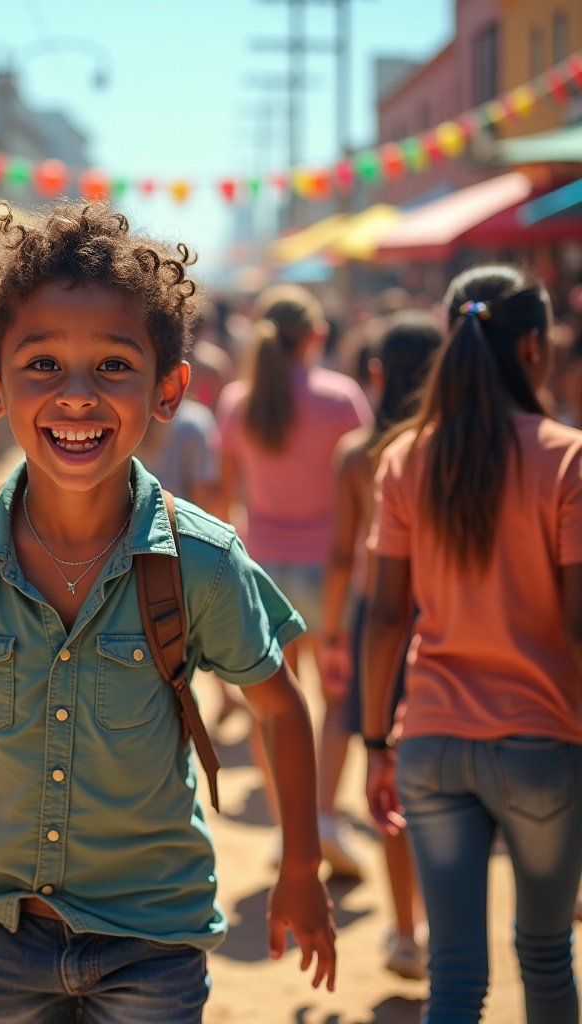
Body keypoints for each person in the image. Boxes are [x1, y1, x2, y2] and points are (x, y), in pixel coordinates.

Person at [0, 201, 336, 1020]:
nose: (76, 398)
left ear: (167, 390)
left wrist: (301, 867)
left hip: (153, 941)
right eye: (41, 366)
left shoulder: (201, 562)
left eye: (111, 367)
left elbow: (279, 707)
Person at [363, 265, 582, 1023]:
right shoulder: (567, 457)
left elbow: (385, 617)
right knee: (546, 956)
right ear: (532, 347)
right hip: (544, 748)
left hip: (430, 745)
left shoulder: (406, 458)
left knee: (454, 978)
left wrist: (373, 741)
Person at [216, 284, 373, 879]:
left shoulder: (238, 401)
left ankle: (291, 829)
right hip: (332, 569)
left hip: (260, 568)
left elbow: (224, 492)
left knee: (271, 703)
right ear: (316, 336)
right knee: (335, 698)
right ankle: (326, 816)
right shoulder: (342, 398)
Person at [320, 311, 442, 980]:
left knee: (387, 773)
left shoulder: (359, 454)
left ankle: (404, 931)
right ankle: (449, 927)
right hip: (449, 613)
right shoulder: (454, 448)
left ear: (375, 374)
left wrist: (336, 632)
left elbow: (343, 555)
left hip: (378, 616)